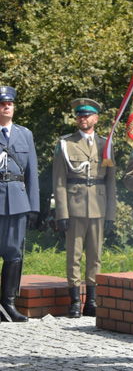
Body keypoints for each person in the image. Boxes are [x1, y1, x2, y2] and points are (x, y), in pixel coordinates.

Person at [52, 98, 117, 319]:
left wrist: (111, 214)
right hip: (75, 205)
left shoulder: (105, 145)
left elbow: (111, 182)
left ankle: (91, 300)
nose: (83, 119)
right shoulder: (66, 144)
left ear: (96, 119)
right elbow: (59, 181)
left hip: (98, 206)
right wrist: (61, 213)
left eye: (88, 116)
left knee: (95, 256)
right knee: (74, 255)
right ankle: (74, 301)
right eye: (80, 115)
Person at [0, 86, 38, 323]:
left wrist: (33, 206)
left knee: (14, 253)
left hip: (17, 201)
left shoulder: (25, 134)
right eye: (2, 104)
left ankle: (8, 305)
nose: (6, 107)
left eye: (10, 103)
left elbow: (32, 172)